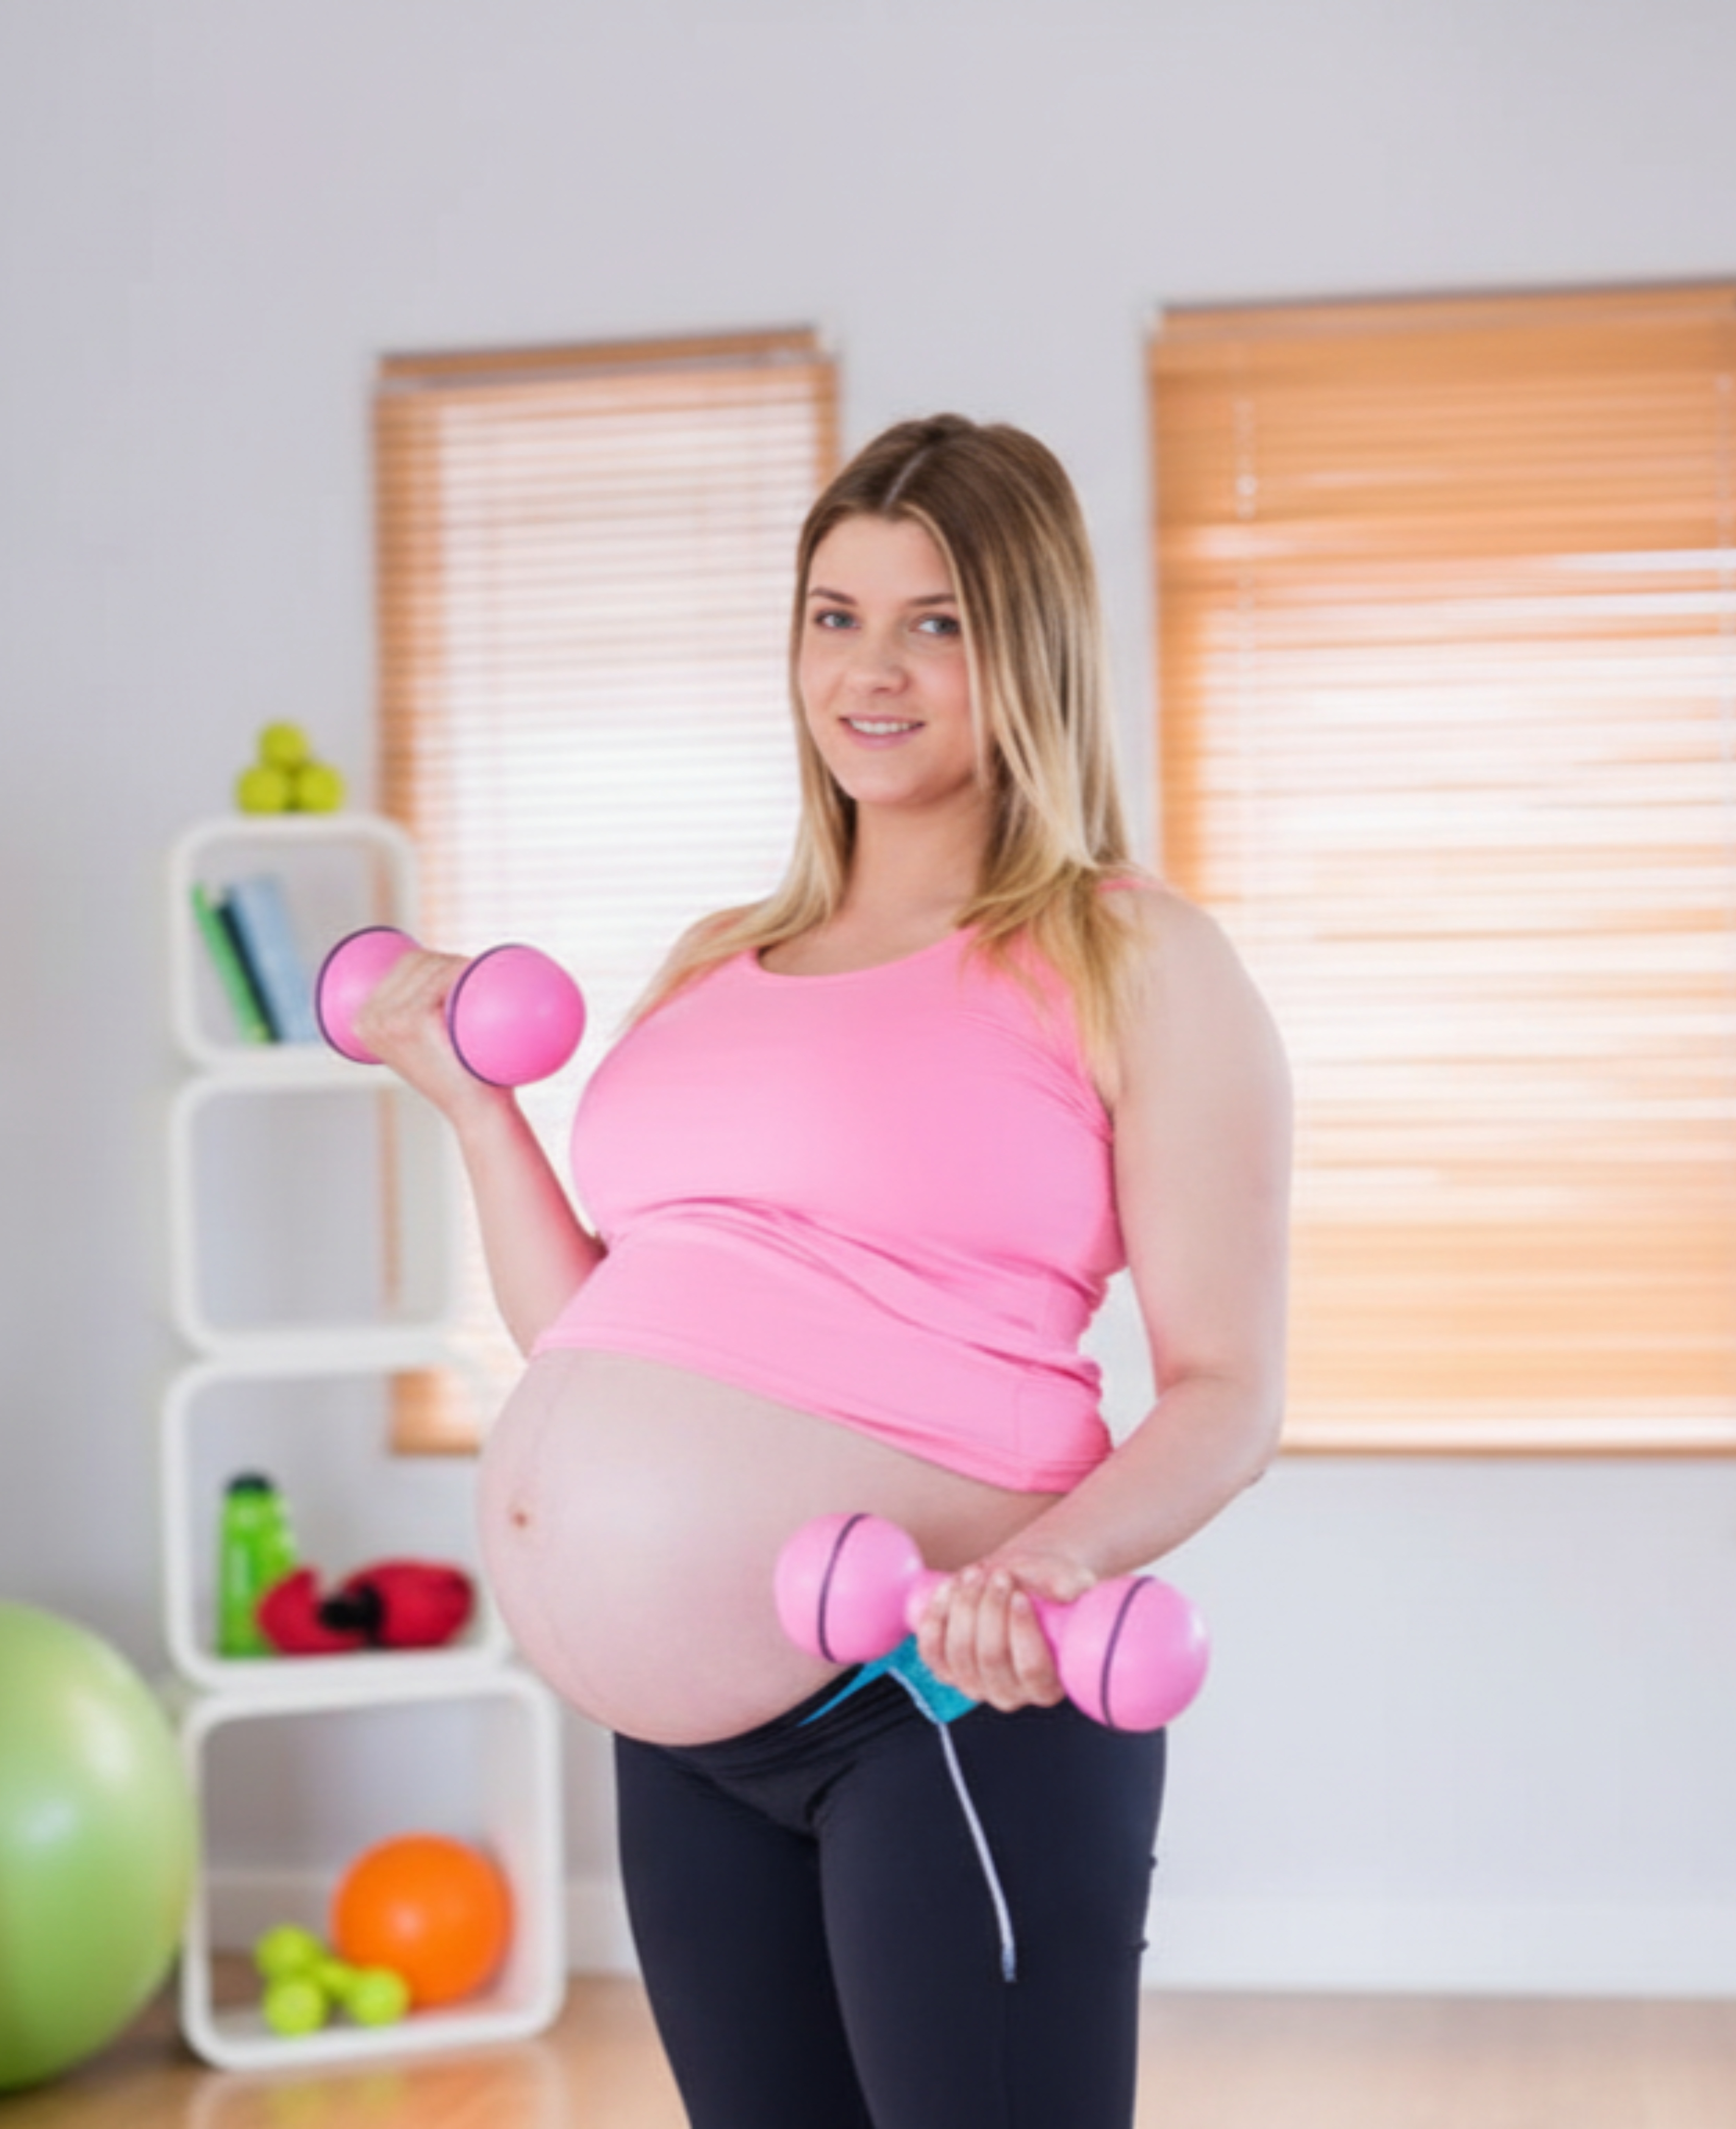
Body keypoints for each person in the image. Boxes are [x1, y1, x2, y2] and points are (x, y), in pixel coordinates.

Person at [354, 413, 1291, 2129]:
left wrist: (1043, 1571)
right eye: (833, 614)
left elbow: (1230, 1392)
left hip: (940, 1695)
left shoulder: (1130, 952)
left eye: (935, 620)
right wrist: (478, 1113)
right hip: (685, 1742)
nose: (873, 669)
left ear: (1030, 646)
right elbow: (602, 1332)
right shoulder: (723, 960)